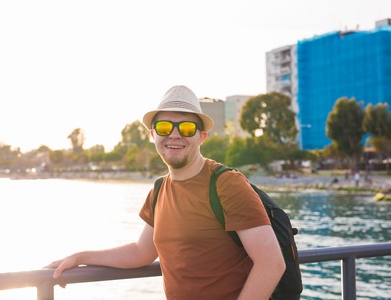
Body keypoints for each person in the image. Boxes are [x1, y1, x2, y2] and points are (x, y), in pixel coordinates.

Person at [45, 85, 285, 299]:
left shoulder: (227, 184)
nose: (174, 134)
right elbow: (141, 252)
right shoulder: (159, 189)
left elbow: (271, 263)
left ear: (202, 137)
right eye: (164, 126)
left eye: (187, 128)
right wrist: (80, 257)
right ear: (153, 135)